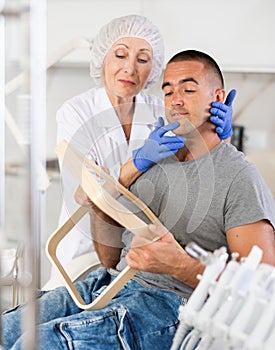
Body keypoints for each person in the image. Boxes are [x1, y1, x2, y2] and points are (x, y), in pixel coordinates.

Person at [3, 49, 274, 350]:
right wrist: (99, 208)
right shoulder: (156, 159)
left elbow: (260, 291)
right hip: (109, 285)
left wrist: (180, 265)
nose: (176, 100)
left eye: (189, 88)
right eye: (168, 91)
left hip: (169, 305)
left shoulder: (239, 178)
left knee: (36, 344)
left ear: (219, 97)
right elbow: (110, 259)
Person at [55, 14, 235, 269]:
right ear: (102, 57)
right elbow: (90, 192)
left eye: (142, 59)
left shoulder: (163, 109)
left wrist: (221, 135)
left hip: (144, 253)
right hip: (86, 249)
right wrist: (138, 163)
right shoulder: (75, 112)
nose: (130, 68)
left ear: (154, 68)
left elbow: (202, 170)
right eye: (120, 55)